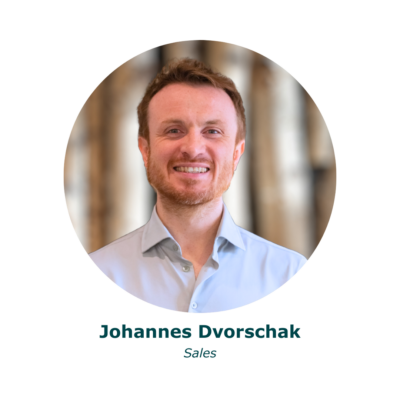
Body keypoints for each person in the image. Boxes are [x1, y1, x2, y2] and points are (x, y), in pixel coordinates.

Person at [88, 58, 308, 313]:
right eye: (173, 130)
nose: (193, 149)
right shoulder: (103, 270)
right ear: (145, 151)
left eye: (212, 131)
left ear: (236, 153)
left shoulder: (288, 273)